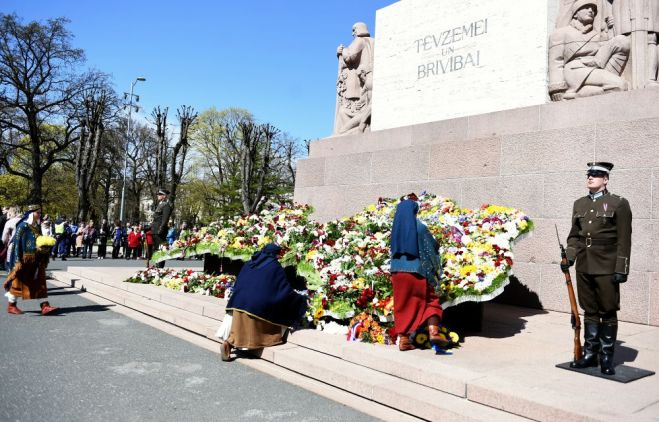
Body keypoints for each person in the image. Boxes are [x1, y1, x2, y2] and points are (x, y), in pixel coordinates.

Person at [563, 162, 632, 376]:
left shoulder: (618, 203)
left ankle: (606, 358)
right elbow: (575, 235)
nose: (590, 177)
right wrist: (569, 257)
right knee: (589, 310)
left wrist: (622, 268)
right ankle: (590, 354)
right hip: (584, 264)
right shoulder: (579, 204)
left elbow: (624, 240)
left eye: (596, 174)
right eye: (589, 174)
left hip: (607, 266)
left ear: (606, 179)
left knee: (608, 311)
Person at [220, 243, 308, 362]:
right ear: (276, 254)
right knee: (277, 312)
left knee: (240, 327)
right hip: (255, 306)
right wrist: (300, 299)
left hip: (237, 302)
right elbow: (283, 290)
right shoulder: (274, 266)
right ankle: (230, 343)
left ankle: (229, 343)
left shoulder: (250, 263)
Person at [389, 196, 449, 351]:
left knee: (402, 305)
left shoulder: (396, 229)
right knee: (431, 301)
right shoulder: (419, 228)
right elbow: (431, 249)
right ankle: (434, 331)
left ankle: (404, 339)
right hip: (416, 271)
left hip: (397, 272)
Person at [549, 1, 630, 101]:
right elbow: (556, 61)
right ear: (575, 14)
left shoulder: (596, 34)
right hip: (575, 70)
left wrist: (610, 29)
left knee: (622, 41)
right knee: (621, 85)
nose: (590, 10)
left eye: (593, 9)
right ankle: (575, 93)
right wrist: (556, 89)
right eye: (586, 7)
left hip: (595, 67)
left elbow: (610, 48)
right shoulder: (561, 33)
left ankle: (576, 94)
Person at [3, 205, 58, 315]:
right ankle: (11, 306)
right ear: (31, 213)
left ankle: (45, 306)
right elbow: (18, 244)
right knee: (18, 284)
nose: (39, 215)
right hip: (24, 261)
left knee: (39, 282)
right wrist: (18, 260)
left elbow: (38, 240)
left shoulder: (36, 226)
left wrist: (45, 247)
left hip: (36, 260)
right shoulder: (23, 226)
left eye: (40, 213)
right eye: (37, 213)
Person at [334, 22, 374, 135]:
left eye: (354, 30)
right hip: (363, 94)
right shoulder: (371, 41)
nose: (352, 33)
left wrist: (342, 51)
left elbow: (349, 57)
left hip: (358, 88)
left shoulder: (360, 40)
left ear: (358, 30)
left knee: (342, 115)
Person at [150, 189, 172, 268]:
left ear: (164, 196)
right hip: (155, 230)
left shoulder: (166, 205)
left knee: (161, 249)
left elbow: (165, 219)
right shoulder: (160, 204)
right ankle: (156, 266)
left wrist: (161, 229)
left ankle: (160, 268)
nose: (158, 195)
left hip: (160, 231)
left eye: (160, 194)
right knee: (156, 249)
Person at [1, 206, 21, 271]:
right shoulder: (25, 220)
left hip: (13, 246)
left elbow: (4, 237)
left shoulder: (9, 222)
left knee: (11, 267)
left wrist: (4, 244)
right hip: (24, 247)